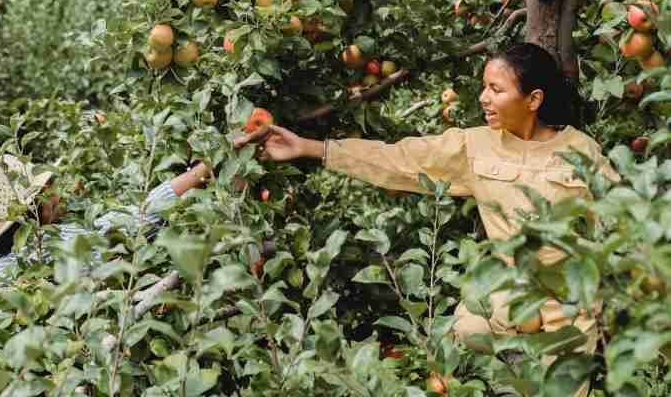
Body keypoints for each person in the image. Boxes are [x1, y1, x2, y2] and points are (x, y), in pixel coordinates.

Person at [234, 43, 619, 396]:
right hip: (508, 292)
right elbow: (399, 158)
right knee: (463, 341)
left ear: (533, 99)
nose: (484, 98)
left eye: (496, 90)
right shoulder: (475, 146)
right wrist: (311, 147)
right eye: (484, 86)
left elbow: (622, 218)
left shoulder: (579, 150)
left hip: (570, 303)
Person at [0, 154, 212, 282]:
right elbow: (134, 220)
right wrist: (201, 171)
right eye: (49, 190)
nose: (58, 196)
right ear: (36, 207)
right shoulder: (52, 243)